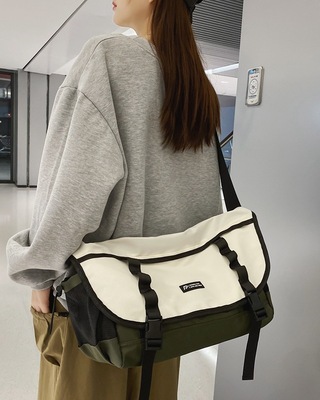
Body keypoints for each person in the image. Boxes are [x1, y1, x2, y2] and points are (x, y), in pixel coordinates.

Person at [6, 0, 223, 398]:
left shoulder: (109, 56)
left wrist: (40, 275)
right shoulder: (196, 85)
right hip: (168, 305)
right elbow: (202, 201)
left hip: (99, 308)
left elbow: (72, 186)